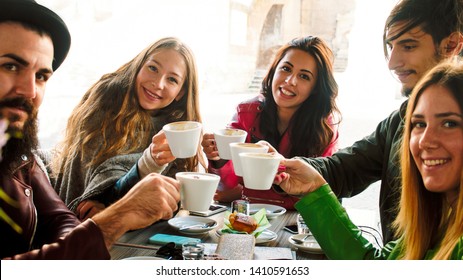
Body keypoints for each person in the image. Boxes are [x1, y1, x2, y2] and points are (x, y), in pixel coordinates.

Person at [0, 0, 180, 259]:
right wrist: (116, 218)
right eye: (10, 66)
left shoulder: (18, 152)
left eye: (41, 76)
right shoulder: (107, 101)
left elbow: (60, 218)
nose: (30, 91)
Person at [277, 0, 463, 242]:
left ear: (451, 45)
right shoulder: (398, 121)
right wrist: (285, 166)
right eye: (390, 46)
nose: (392, 63)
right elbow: (346, 168)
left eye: (408, 46)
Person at [276, 61, 463, 259]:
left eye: (449, 123)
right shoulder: (438, 218)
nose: (425, 141)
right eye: (419, 124)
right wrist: (313, 188)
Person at [48, 37, 204, 219]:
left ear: (181, 93)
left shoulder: (178, 128)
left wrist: (216, 161)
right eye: (153, 68)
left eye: (172, 79)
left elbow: (177, 194)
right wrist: (102, 200)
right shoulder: (106, 101)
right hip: (86, 220)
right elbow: (92, 176)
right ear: (139, 66)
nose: (158, 84)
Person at [201, 36, 340, 209]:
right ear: (274, 70)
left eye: (304, 76)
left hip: (298, 221)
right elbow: (224, 188)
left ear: (315, 88)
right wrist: (217, 158)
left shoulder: (324, 127)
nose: (290, 81)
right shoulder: (247, 113)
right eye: (286, 69)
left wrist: (246, 192)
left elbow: (322, 191)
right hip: (247, 216)